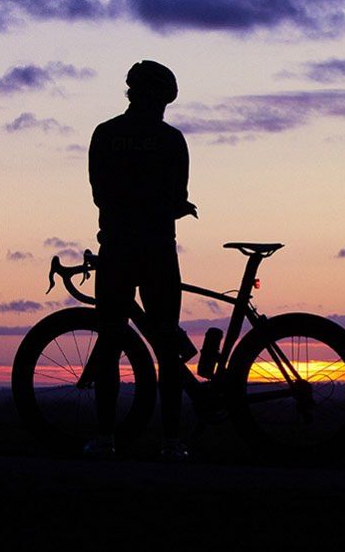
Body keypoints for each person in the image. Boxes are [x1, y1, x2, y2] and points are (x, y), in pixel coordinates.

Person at [85, 60, 197, 459]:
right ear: (161, 99)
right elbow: (176, 198)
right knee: (167, 346)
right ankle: (171, 442)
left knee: (110, 342)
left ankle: (104, 439)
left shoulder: (105, 134)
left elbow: (101, 194)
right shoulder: (172, 140)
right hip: (158, 251)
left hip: (116, 248)